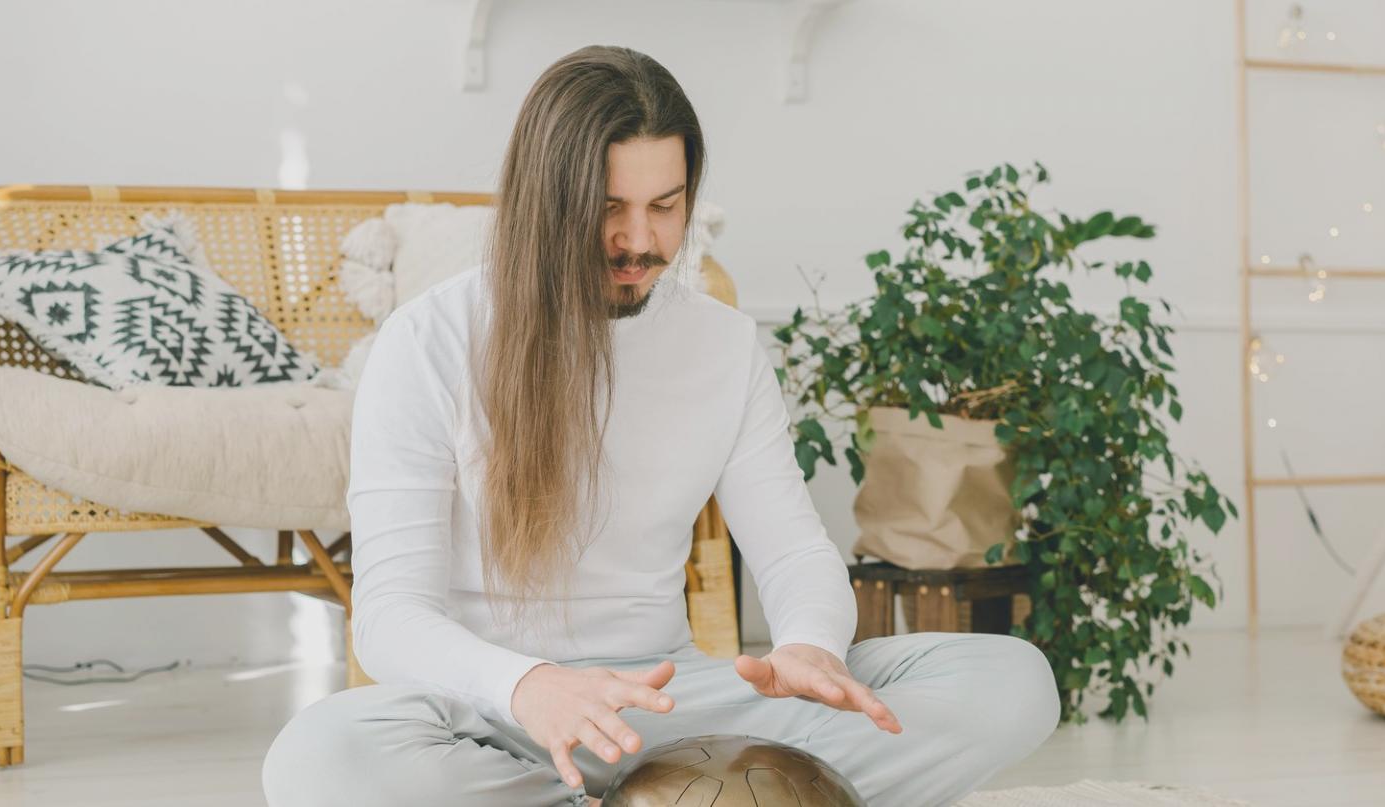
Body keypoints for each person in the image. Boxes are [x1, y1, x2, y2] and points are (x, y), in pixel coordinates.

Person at [261, 44, 1059, 807]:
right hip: (491, 715)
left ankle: (678, 789)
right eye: (609, 209)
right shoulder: (428, 341)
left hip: (674, 704)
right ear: (548, 200)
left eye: (664, 207)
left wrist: (809, 646)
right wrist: (527, 685)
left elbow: (791, 548)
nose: (640, 241)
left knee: (1012, 680)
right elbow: (392, 617)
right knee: (321, 756)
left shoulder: (723, 344)